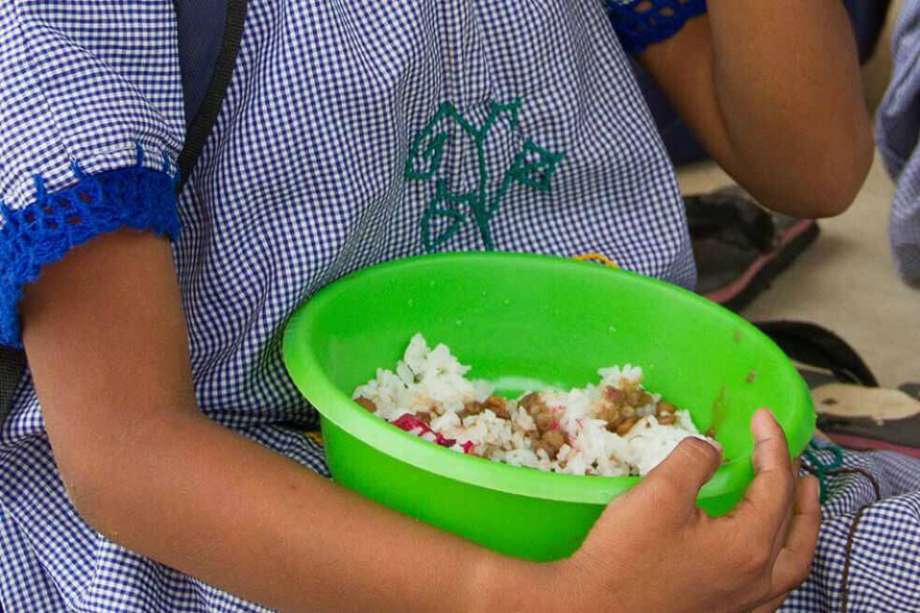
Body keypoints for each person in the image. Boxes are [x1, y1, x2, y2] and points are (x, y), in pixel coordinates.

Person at [0, 1, 876, 611]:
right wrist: (535, 603)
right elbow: (127, 451)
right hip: (260, 519)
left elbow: (815, 166)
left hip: (632, 469)